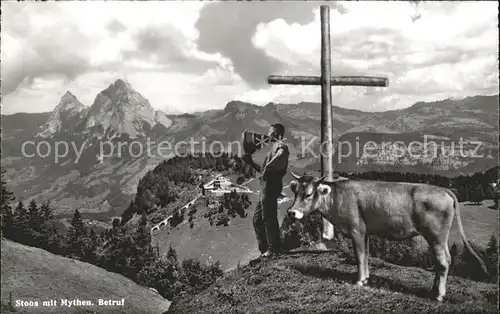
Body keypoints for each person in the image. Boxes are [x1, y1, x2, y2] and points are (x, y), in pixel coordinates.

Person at [242, 123, 289, 258]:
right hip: (265, 188)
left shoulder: (280, 146)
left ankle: (274, 249)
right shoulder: (272, 149)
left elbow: (282, 155)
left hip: (271, 187)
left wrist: (268, 166)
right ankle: (265, 251)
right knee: (257, 220)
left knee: (268, 217)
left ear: (278, 135)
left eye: (271, 132)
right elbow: (264, 171)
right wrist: (250, 162)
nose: (268, 135)